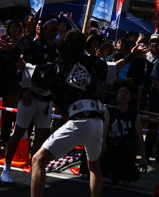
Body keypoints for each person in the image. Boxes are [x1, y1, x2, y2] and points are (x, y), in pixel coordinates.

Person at [28, 29, 147, 197]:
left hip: (79, 120)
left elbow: (28, 71)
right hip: (97, 121)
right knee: (94, 168)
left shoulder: (56, 69)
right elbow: (114, 68)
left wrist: (12, 55)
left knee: (38, 160)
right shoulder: (90, 62)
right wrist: (131, 55)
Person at [0, 16, 59, 185]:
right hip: (30, 94)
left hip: (46, 97)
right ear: (44, 28)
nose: (55, 27)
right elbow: (24, 67)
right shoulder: (34, 45)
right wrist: (26, 88)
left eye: (57, 24)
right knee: (19, 131)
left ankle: (33, 174)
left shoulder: (57, 50)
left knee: (40, 136)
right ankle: (6, 168)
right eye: (51, 24)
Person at [104, 82, 147, 185]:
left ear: (129, 98)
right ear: (117, 97)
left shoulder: (134, 115)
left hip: (124, 150)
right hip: (109, 148)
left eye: (126, 92)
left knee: (135, 175)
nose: (123, 94)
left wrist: (144, 157)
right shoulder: (110, 112)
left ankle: (116, 173)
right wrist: (102, 144)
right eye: (120, 92)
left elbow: (140, 137)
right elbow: (104, 131)